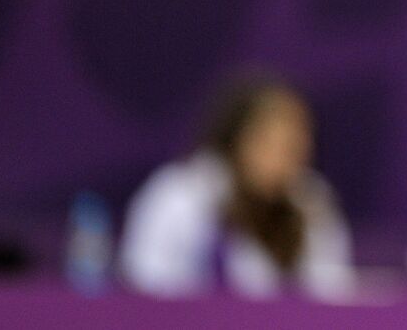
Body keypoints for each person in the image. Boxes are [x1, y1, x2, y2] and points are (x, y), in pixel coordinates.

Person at [118, 76, 355, 298]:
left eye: (293, 144)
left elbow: (330, 291)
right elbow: (144, 284)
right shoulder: (179, 195)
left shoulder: (310, 202)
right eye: (269, 140)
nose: (283, 156)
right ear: (236, 140)